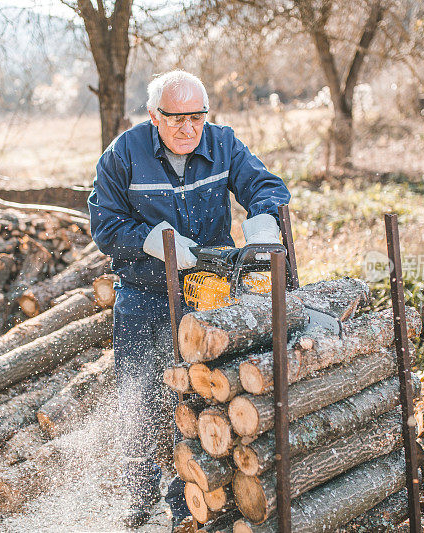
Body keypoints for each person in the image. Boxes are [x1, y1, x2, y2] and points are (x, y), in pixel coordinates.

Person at [87, 70, 290, 530]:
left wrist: (262, 218)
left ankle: (192, 497)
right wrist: (149, 239)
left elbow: (267, 185)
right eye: (175, 118)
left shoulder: (222, 143)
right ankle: (137, 497)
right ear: (154, 116)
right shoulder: (123, 155)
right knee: (140, 398)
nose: (187, 129)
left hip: (208, 291)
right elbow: (104, 224)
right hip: (145, 294)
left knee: (201, 394)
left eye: (196, 117)